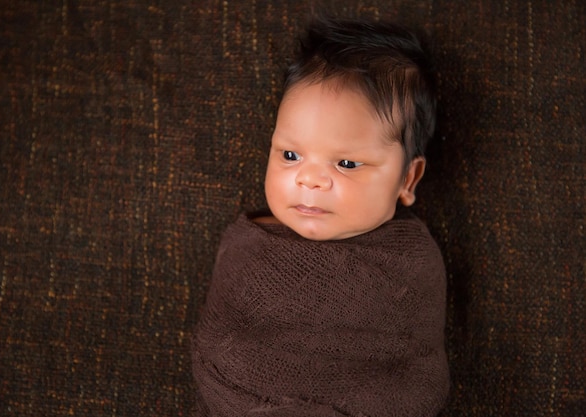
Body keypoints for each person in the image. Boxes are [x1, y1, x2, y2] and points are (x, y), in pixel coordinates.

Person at [192, 15, 449, 417]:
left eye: (346, 163)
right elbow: (219, 348)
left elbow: (414, 377)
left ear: (408, 178)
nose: (309, 179)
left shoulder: (411, 265)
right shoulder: (248, 246)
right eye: (290, 155)